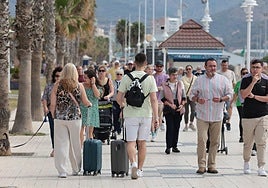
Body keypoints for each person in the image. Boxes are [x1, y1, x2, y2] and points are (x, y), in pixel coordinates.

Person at [116, 53, 158, 180]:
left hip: (130, 114)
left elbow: (118, 98)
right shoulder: (150, 78)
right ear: (146, 64)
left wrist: (123, 106)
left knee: (131, 142)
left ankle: (133, 163)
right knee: (142, 143)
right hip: (146, 114)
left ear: (134, 62)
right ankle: (139, 169)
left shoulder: (126, 77)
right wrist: (156, 117)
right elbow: (154, 99)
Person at [190, 58, 233, 174]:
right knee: (202, 140)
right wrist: (198, 99)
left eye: (214, 66)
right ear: (205, 67)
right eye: (210, 66)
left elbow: (230, 94)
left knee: (215, 141)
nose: (212, 68)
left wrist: (221, 99)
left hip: (217, 115)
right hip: (202, 115)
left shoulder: (223, 80)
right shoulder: (199, 80)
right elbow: (191, 95)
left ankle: (212, 165)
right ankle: (201, 165)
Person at [50, 63, 92, 178]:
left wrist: (53, 115)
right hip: (75, 118)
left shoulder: (57, 85)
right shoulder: (79, 85)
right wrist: (90, 104)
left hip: (60, 118)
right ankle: (76, 168)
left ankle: (62, 170)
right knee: (75, 144)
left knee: (60, 144)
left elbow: (53, 103)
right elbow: (85, 101)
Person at [240, 59, 268, 177]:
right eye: (253, 67)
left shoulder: (266, 80)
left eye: (257, 67)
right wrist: (252, 82)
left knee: (261, 142)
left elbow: (267, 98)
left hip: (263, 115)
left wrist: (255, 96)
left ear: (262, 68)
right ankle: (246, 162)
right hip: (248, 116)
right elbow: (244, 95)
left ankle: (261, 166)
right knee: (248, 142)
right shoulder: (246, 79)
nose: (255, 70)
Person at [160, 67, 186, 154]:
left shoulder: (180, 83)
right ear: (169, 75)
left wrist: (182, 105)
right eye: (173, 75)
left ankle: (175, 145)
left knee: (176, 127)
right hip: (169, 108)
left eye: (176, 74)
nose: (175, 76)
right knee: (170, 127)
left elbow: (184, 97)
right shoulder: (164, 84)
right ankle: (168, 146)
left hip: (179, 107)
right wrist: (170, 105)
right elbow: (162, 98)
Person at [41, 66, 62, 157]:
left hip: (62, 112)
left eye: (60, 76)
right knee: (53, 130)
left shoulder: (64, 86)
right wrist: (45, 107)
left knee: (61, 131)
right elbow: (44, 98)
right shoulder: (49, 86)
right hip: (51, 111)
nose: (58, 78)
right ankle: (55, 148)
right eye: (56, 76)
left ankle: (62, 148)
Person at [80, 69, 101, 145]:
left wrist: (93, 84)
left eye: (86, 78)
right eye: (83, 77)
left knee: (90, 132)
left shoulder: (97, 86)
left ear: (91, 78)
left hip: (92, 110)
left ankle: (89, 146)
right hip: (82, 109)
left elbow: (97, 95)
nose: (84, 79)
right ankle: (80, 146)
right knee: (81, 129)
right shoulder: (81, 85)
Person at [218, 60, 236, 131]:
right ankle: (221, 120)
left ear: (227, 65)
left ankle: (228, 121)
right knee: (220, 107)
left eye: (226, 65)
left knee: (230, 107)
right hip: (220, 93)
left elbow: (234, 83)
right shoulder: (218, 73)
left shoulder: (231, 73)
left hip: (229, 93)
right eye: (223, 65)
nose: (224, 66)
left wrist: (234, 92)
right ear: (221, 65)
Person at [153, 60, 169, 137]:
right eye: (158, 66)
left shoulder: (166, 77)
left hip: (161, 99)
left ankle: (156, 130)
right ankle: (153, 130)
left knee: (159, 115)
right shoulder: (152, 76)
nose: (159, 68)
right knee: (152, 115)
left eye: (161, 66)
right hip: (152, 99)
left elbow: (168, 87)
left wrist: (162, 88)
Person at [233, 68, 248, 143]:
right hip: (240, 104)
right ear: (241, 74)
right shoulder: (238, 83)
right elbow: (235, 94)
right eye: (243, 73)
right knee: (242, 119)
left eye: (246, 73)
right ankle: (241, 135)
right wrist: (233, 103)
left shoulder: (250, 82)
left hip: (249, 103)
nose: (245, 74)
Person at [181, 65, 197, 132]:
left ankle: (191, 123)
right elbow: (182, 88)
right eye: (187, 69)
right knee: (186, 111)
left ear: (192, 69)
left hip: (193, 97)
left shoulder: (195, 78)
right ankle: (186, 124)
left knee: (193, 110)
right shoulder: (183, 78)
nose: (188, 70)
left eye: (190, 69)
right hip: (186, 96)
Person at [111, 69, 124, 136]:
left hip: (122, 101)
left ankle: (121, 128)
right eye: (118, 74)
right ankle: (116, 129)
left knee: (122, 115)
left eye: (120, 74)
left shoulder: (124, 83)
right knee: (115, 115)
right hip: (115, 101)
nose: (119, 75)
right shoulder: (112, 82)